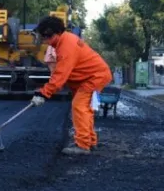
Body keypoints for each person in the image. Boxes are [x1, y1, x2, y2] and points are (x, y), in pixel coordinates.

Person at [31, 16, 112, 155]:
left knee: (79, 106)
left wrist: (44, 93)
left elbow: (61, 74)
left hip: (94, 77)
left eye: (45, 38)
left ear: (53, 34)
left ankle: (82, 145)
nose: (45, 42)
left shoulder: (66, 45)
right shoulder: (65, 40)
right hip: (90, 76)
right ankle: (90, 141)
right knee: (85, 108)